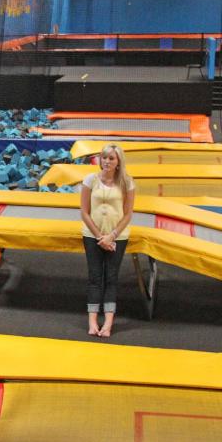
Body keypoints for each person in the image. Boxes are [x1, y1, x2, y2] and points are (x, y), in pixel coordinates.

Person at [79, 143, 135, 338]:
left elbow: (128, 214)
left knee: (111, 278)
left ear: (118, 162)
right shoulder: (90, 180)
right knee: (95, 277)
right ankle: (93, 321)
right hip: (92, 235)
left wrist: (112, 236)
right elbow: (84, 211)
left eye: (111, 158)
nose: (107, 161)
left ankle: (108, 323)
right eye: (104, 157)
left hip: (117, 236)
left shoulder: (127, 182)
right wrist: (98, 236)